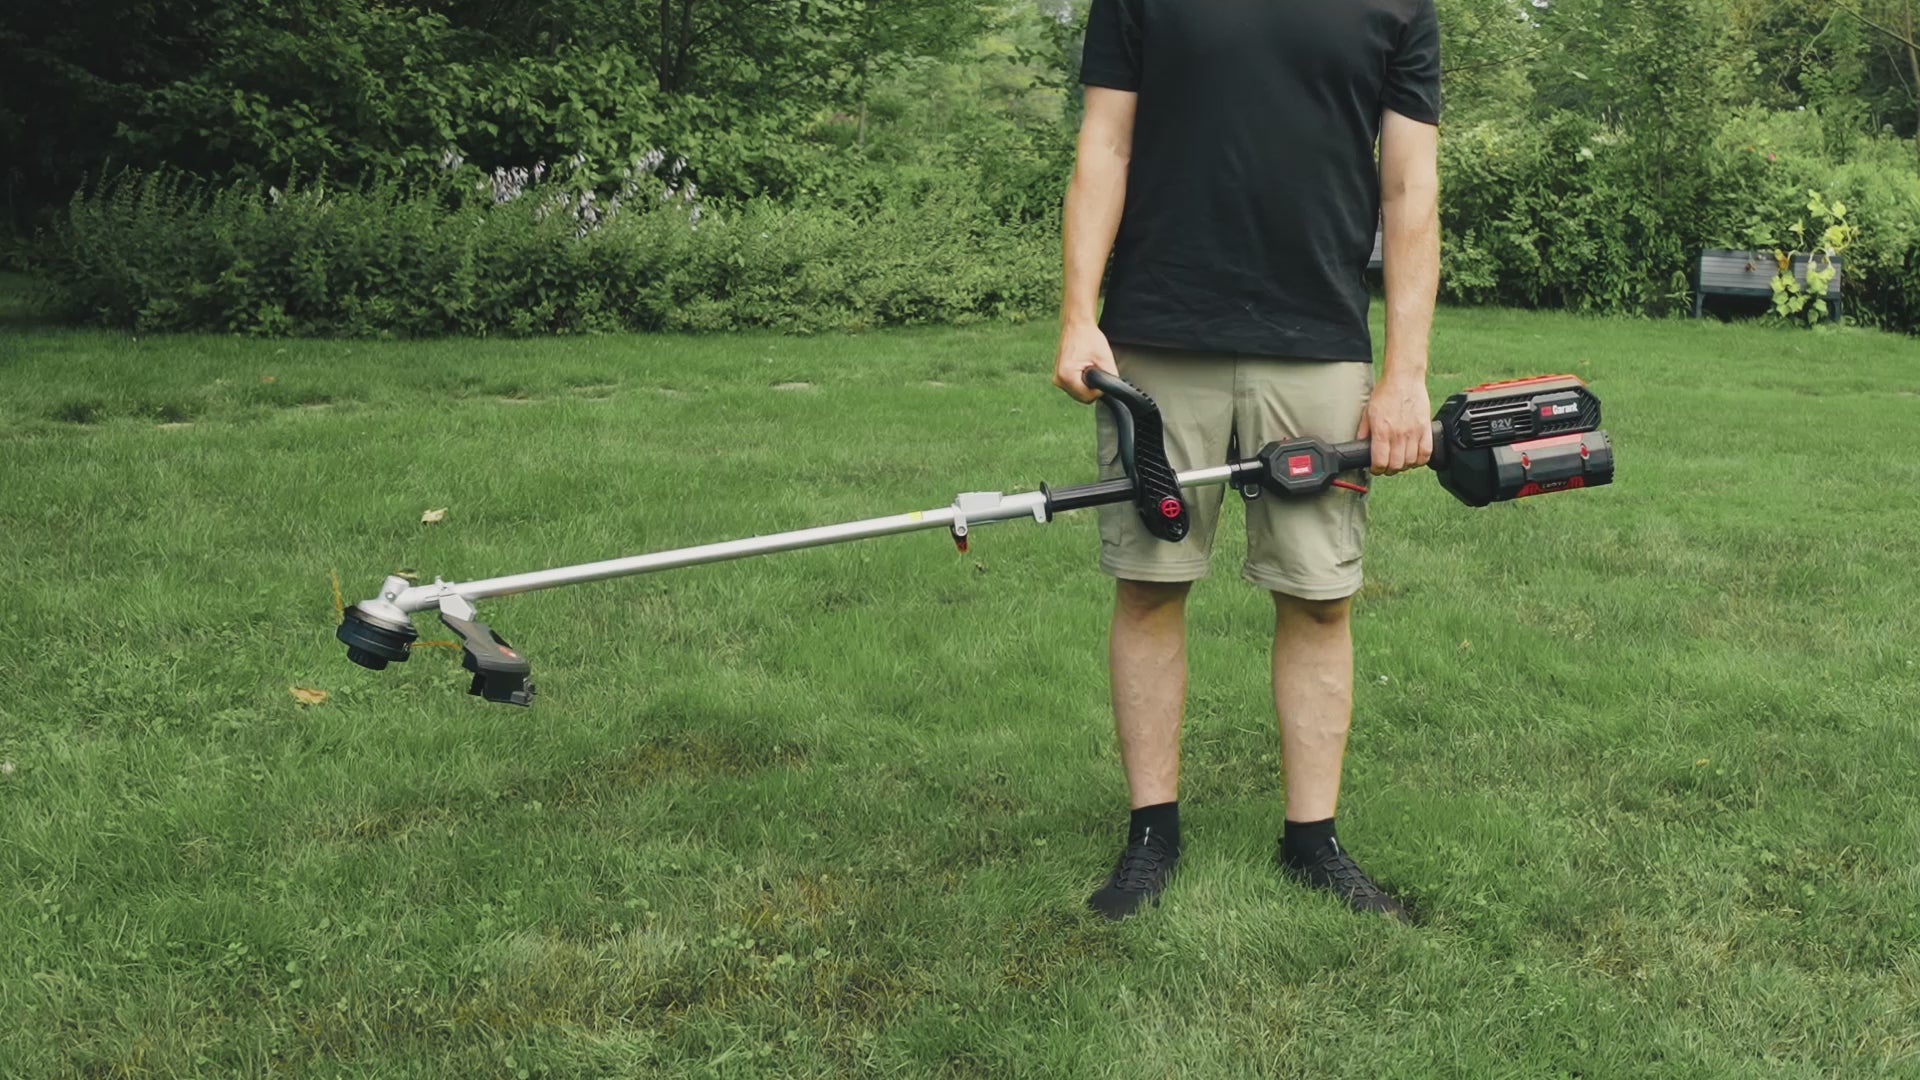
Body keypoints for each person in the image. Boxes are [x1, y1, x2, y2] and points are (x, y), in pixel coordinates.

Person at [1054, 0, 1442, 921]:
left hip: (1318, 342)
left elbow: (1409, 187)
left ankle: (1314, 841)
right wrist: (1078, 315)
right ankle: (1152, 835)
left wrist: (1405, 375)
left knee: (1319, 595)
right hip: (1158, 331)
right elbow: (1105, 145)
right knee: (1149, 584)